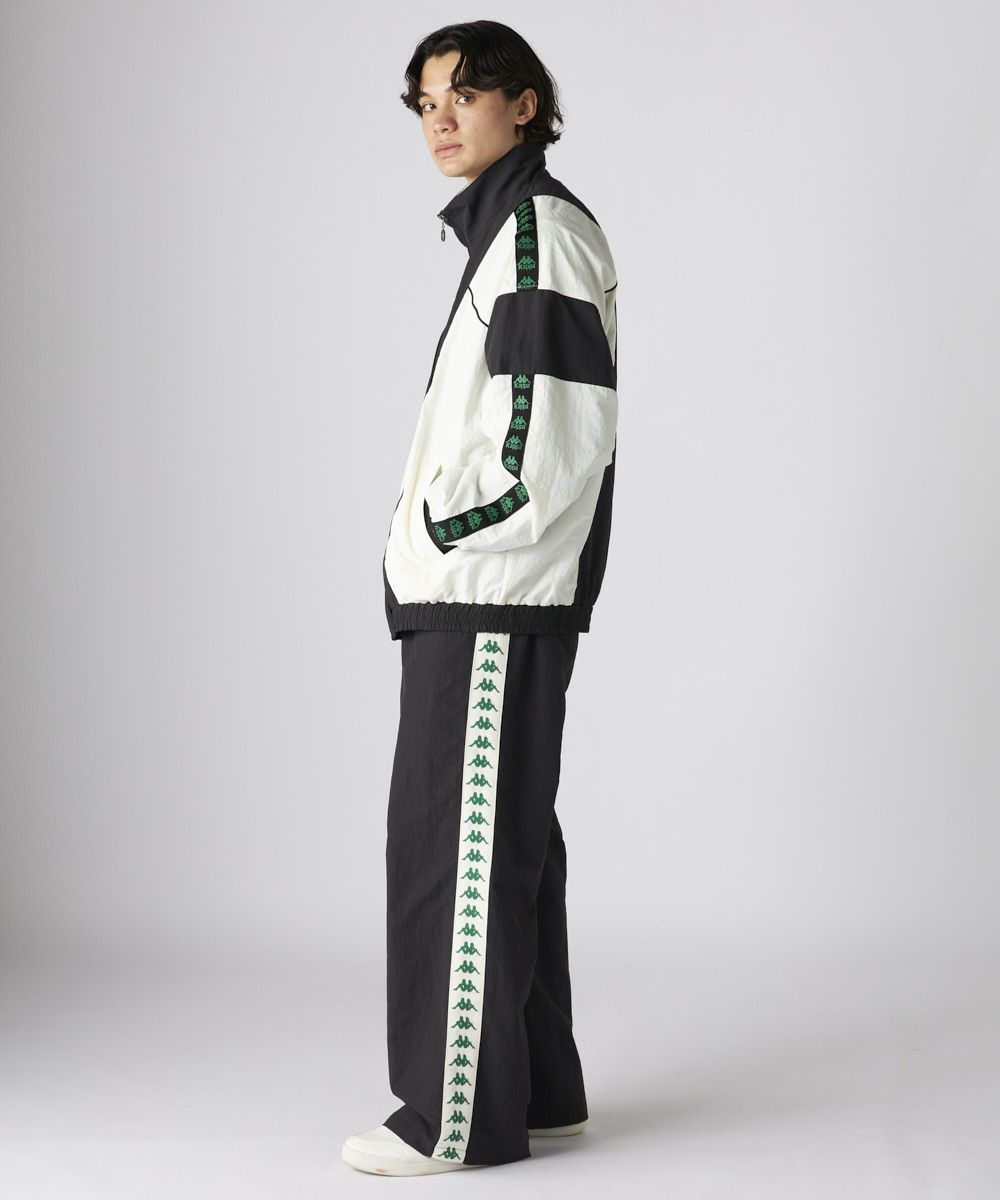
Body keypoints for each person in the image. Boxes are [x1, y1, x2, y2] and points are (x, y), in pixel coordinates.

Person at [342, 18, 619, 1177]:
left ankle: (449, 1120)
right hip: (487, 591)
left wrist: (430, 540)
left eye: (463, 94)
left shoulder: (534, 236)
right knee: (502, 841)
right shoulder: (512, 233)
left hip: (488, 593)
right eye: (424, 103)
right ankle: (535, 1091)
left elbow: (543, 449)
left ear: (525, 102)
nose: (440, 120)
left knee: (449, 849)